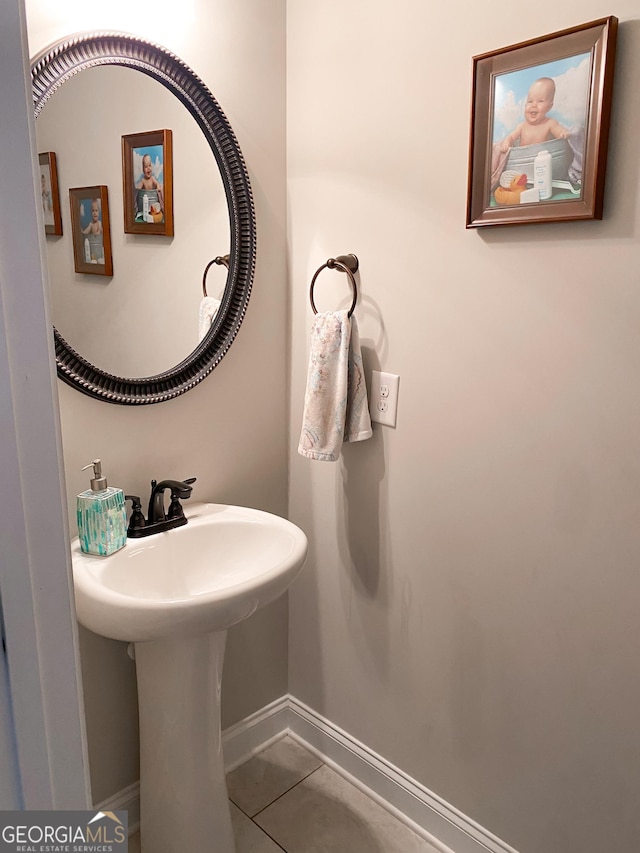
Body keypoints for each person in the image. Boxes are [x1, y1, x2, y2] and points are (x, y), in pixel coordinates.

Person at [500, 77, 569, 153]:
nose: (534, 105)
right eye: (530, 101)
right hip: (523, 158)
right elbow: (511, 137)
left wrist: (563, 133)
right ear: (525, 105)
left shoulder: (550, 123)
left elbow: (559, 132)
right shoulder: (522, 126)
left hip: (544, 159)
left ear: (549, 106)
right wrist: (506, 143)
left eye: (540, 101)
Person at [135, 153, 164, 217]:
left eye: (150, 165)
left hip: (153, 205)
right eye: (146, 166)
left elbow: (157, 184)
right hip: (144, 206)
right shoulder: (143, 180)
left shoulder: (152, 179)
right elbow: (138, 188)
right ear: (143, 170)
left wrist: (159, 187)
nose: (148, 168)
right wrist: (136, 189)